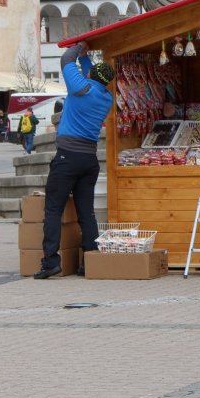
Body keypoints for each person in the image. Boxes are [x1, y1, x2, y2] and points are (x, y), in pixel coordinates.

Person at [34, 41, 115, 279]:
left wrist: (80, 46)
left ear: (90, 76)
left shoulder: (81, 89)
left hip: (67, 157)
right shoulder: (106, 97)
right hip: (89, 160)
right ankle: (89, 260)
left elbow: (65, 60)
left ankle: (51, 262)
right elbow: (91, 73)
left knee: (53, 210)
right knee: (86, 213)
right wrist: (86, 56)